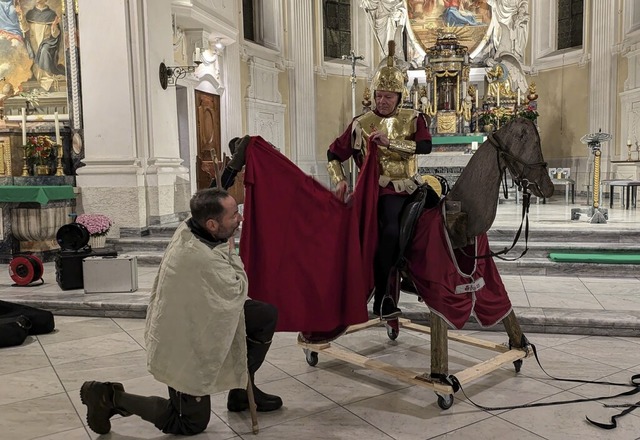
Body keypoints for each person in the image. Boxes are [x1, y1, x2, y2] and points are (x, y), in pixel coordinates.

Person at [80, 188, 282, 436]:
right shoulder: (199, 257)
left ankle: (242, 389)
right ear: (212, 224)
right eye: (233, 215)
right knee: (189, 424)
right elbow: (238, 287)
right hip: (185, 345)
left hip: (197, 318)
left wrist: (223, 240)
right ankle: (109, 397)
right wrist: (230, 250)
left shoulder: (190, 227)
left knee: (263, 316)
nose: (240, 219)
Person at [327, 42, 432, 320]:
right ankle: (383, 298)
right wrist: (339, 181)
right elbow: (332, 154)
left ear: (399, 96)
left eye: (388, 96)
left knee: (443, 216)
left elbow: (425, 147)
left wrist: (392, 142)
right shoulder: (361, 123)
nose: (382, 101)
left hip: (411, 184)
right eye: (379, 96)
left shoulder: (414, 118)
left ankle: (428, 274)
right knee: (389, 231)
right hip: (381, 191)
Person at [24, 0, 65, 91]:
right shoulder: (30, 14)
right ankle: (36, 76)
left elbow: (56, 35)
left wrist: (54, 27)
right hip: (33, 41)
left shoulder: (51, 14)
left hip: (47, 42)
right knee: (32, 53)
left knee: (44, 51)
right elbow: (25, 29)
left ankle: (46, 78)